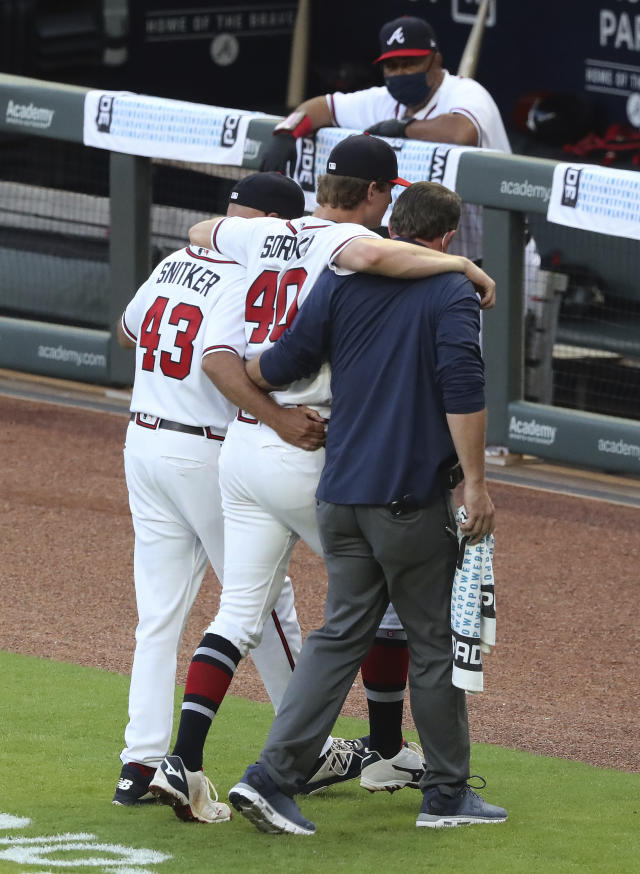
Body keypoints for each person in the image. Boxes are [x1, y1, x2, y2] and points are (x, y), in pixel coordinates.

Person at [148, 136, 496, 821]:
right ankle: (421, 775)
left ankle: (226, 767)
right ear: (377, 199)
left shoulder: (281, 246)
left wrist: (266, 407)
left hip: (279, 463)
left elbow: (250, 357)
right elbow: (461, 385)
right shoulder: (371, 260)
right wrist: (476, 483)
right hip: (354, 469)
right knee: (415, 625)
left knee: (294, 622)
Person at [227, 180, 507, 834]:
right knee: (433, 643)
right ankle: (445, 795)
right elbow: (463, 388)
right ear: (446, 239)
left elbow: (287, 362)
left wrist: (247, 375)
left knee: (337, 637)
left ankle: (271, 775)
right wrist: (475, 484)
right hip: (407, 499)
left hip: (339, 495)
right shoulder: (450, 291)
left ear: (394, 224)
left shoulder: (344, 281)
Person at [112, 172, 319, 819]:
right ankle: (300, 750)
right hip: (203, 450)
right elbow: (225, 361)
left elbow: (128, 330)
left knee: (159, 617)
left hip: (143, 441)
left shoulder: (179, 258)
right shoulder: (248, 273)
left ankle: (139, 762)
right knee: (260, 602)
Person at [261, 14, 511, 262]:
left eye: (410, 62)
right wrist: (287, 130)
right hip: (431, 257)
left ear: (436, 60)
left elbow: (462, 131)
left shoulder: (466, 92)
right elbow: (322, 107)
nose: (400, 72)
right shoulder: (382, 100)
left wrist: (404, 129)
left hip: (497, 251)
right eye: (392, 65)